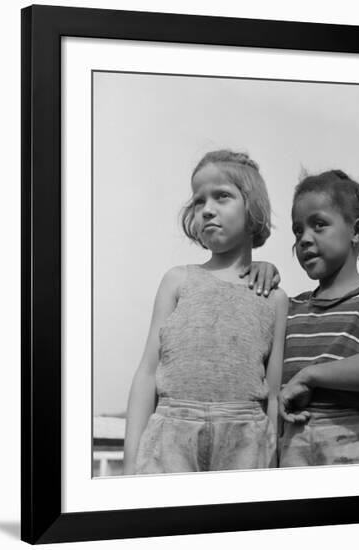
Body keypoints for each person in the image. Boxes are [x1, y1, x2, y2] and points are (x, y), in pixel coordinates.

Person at [122, 150, 288, 474]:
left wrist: (275, 470)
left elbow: (274, 394)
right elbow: (146, 373)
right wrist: (130, 463)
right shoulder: (177, 281)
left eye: (222, 196)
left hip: (247, 442)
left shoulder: (274, 298)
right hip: (170, 436)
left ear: (252, 206)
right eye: (199, 201)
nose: (208, 209)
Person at [277, 169, 359, 466]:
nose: (304, 239)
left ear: (357, 230)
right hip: (291, 448)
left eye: (319, 225)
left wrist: (311, 375)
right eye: (298, 230)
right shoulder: (289, 307)